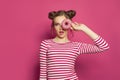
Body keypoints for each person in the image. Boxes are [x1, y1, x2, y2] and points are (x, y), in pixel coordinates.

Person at [39, 10, 110, 80]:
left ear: (69, 24)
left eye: (64, 23)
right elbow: (43, 74)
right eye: (57, 24)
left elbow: (104, 46)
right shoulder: (45, 44)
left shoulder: (76, 46)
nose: (61, 28)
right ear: (53, 26)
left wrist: (84, 28)